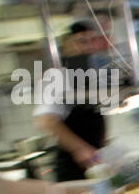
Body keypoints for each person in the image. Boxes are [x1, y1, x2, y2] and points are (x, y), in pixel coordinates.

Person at [34, 21, 108, 181]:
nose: (89, 47)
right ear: (66, 45)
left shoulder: (89, 72)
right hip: (73, 167)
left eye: (92, 41)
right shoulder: (56, 75)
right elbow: (46, 121)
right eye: (82, 41)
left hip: (93, 161)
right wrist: (79, 149)